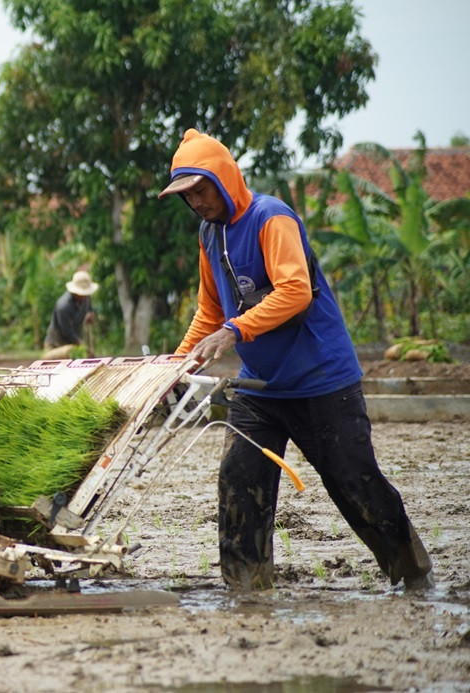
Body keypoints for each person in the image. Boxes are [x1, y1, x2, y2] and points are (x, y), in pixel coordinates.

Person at [159, 128, 433, 591]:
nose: (197, 202)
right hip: (259, 387)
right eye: (187, 196)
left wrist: (235, 330)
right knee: (239, 480)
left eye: (201, 189)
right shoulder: (210, 236)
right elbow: (211, 309)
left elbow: (294, 290)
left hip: (321, 381)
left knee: (355, 483)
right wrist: (178, 363)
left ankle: (412, 573)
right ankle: (246, 589)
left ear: (223, 178)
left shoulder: (271, 218)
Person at [43, 270, 98, 358]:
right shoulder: (63, 306)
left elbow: (89, 308)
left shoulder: (86, 298)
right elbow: (67, 332)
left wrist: (90, 314)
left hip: (73, 343)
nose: (85, 295)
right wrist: (83, 346)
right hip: (56, 345)